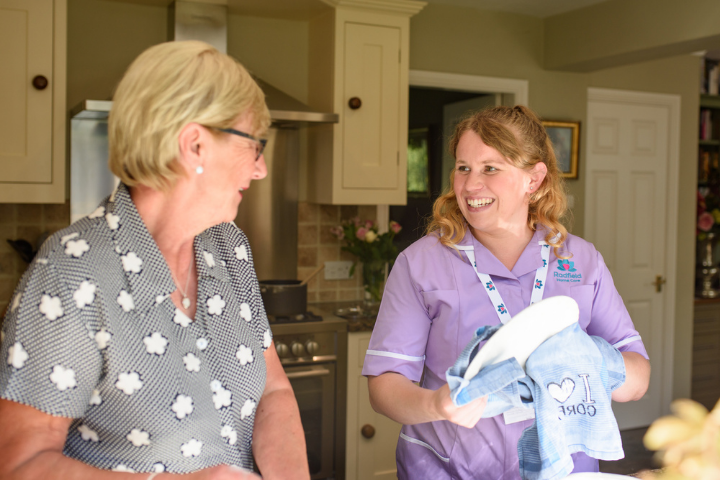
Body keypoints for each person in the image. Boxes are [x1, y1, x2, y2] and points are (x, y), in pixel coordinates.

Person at [0, 41, 309, 480]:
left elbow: (273, 391)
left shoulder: (228, 247)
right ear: (195, 145)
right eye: (254, 146)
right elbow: (20, 465)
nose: (259, 169)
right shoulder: (70, 274)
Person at [362, 105, 651, 479]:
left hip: (565, 470)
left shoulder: (581, 259)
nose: (469, 185)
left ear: (533, 179)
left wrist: (589, 356)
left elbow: (637, 380)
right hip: (449, 469)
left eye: (490, 168)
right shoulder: (421, 264)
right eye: (463, 167)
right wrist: (436, 404)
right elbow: (384, 386)